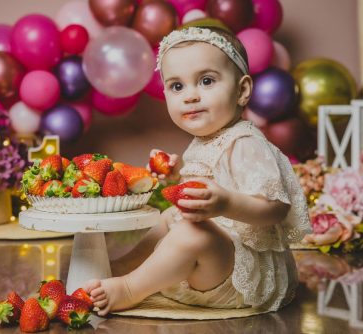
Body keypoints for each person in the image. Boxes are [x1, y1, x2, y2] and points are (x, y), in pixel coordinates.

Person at [84, 26, 311, 316]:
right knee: (170, 217)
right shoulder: (206, 141)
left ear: (242, 90)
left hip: (238, 275)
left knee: (191, 233)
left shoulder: (245, 142)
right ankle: (125, 266)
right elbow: (204, 187)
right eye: (177, 86)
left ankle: (130, 288)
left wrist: (226, 203)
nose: (190, 96)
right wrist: (177, 175)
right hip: (213, 260)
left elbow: (276, 208)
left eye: (206, 81)